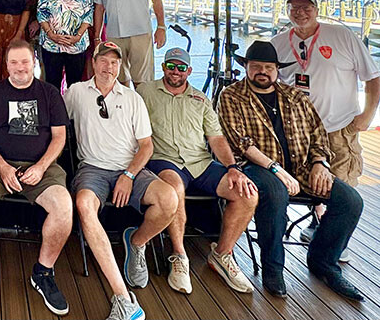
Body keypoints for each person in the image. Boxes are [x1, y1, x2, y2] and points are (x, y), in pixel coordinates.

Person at [218, 41, 364, 301]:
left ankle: (324, 262)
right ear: (246, 67)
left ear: (277, 69)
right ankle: (273, 268)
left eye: (268, 67)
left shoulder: (295, 96)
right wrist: (277, 171)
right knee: (275, 193)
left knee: (350, 200)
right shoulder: (231, 95)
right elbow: (241, 142)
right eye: (256, 66)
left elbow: (319, 133)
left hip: (302, 167)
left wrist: (320, 163)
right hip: (257, 167)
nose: (262, 72)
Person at [64, 41, 176, 320]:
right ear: (93, 63)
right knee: (84, 205)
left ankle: (136, 242)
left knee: (169, 199)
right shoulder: (76, 92)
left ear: (120, 66)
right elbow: (57, 124)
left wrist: (128, 175)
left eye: (114, 62)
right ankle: (124, 298)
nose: (108, 67)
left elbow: (146, 146)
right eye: (103, 60)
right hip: (92, 168)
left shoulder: (132, 98)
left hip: (130, 168)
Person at [0, 40, 73, 316]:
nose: (20, 67)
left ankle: (43, 272)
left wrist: (42, 166)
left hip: (41, 169)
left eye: (25, 61)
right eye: (14, 62)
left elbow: (60, 136)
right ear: (6, 65)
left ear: (34, 62)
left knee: (64, 206)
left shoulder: (49, 93)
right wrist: (1, 167)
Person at [138, 47, 256, 294]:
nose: (176, 71)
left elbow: (216, 138)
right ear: (163, 67)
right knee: (174, 187)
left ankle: (222, 254)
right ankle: (179, 255)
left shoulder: (201, 99)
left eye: (181, 67)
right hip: (164, 160)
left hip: (200, 162)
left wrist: (232, 168)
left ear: (189, 71)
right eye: (171, 66)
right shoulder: (145, 92)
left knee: (247, 193)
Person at [271, 0, 380, 249]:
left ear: (317, 10)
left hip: (338, 126)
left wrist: (367, 115)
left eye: (306, 7)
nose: (300, 12)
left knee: (342, 186)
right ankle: (317, 223)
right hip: (298, 131)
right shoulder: (277, 43)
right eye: (294, 7)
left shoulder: (342, 36)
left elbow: (373, 77)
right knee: (311, 181)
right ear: (287, 11)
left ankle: (333, 246)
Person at [37, 0, 92, 91]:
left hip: (76, 45)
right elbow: (41, 13)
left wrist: (77, 36)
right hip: (52, 44)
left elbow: (88, 15)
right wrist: (51, 34)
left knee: (75, 86)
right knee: (52, 86)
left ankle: (72, 107)